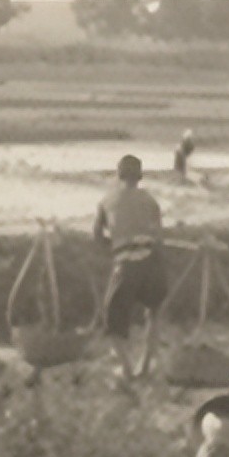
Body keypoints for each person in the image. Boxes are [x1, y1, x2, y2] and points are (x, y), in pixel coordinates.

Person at [92, 154, 168, 380]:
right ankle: (144, 367)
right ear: (140, 176)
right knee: (154, 312)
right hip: (151, 260)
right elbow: (159, 238)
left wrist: (115, 247)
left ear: (118, 175)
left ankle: (127, 369)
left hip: (126, 262)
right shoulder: (150, 201)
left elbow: (97, 236)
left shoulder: (107, 201)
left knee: (112, 319)